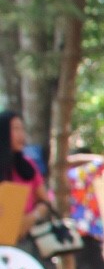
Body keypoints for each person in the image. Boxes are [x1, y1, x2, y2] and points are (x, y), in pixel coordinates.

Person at [1, 109, 53, 258]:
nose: (20, 135)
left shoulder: (28, 166)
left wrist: (32, 217)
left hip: (25, 243)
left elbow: (45, 201)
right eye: (15, 129)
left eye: (22, 129)